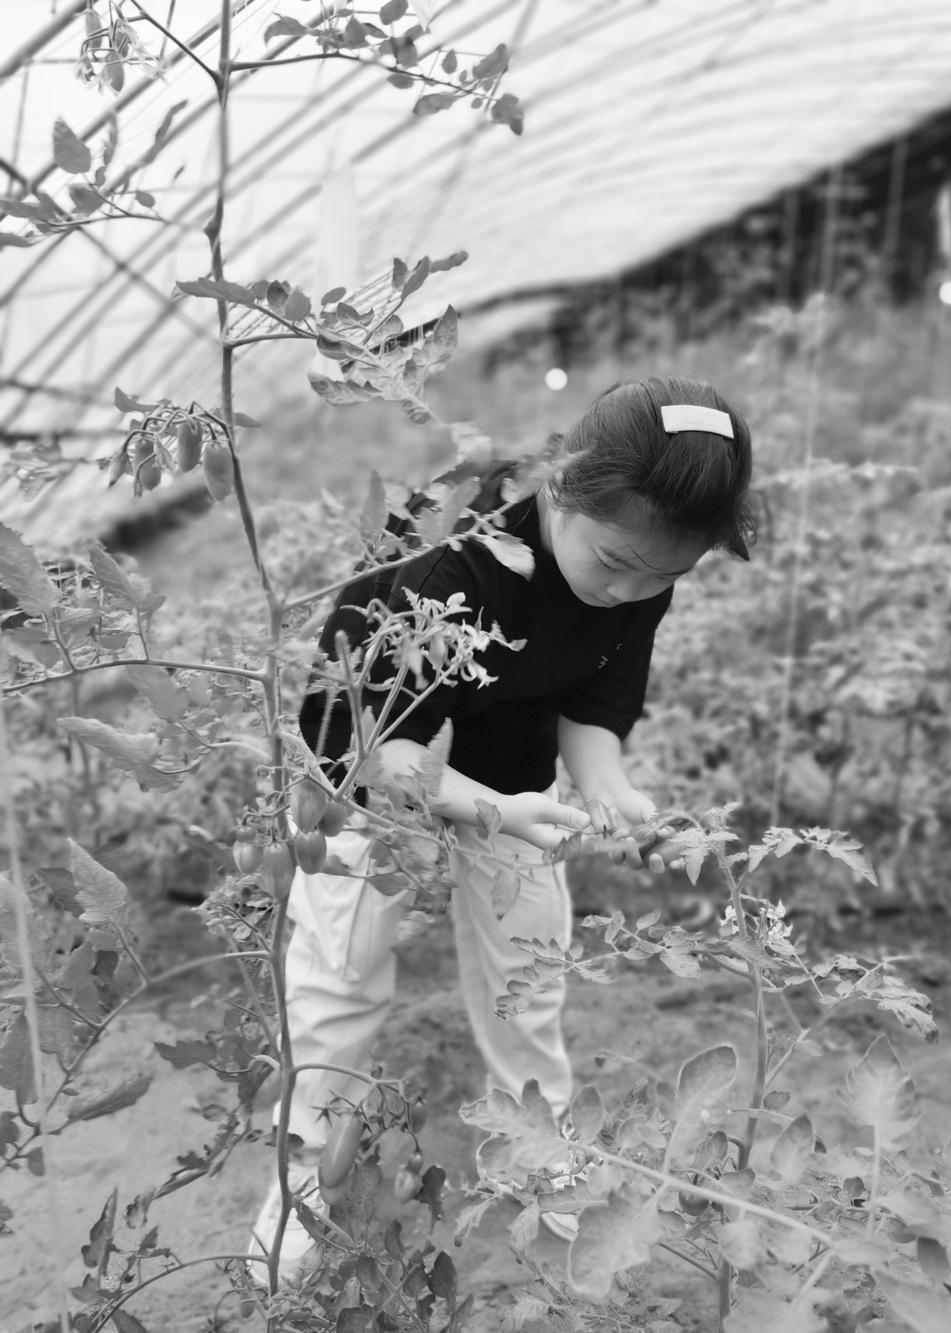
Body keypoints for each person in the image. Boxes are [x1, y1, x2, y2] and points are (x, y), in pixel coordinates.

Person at [249, 374, 754, 1283]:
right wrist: (484, 808)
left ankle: (533, 1139)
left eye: (663, 575)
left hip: (512, 776)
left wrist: (612, 790)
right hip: (369, 786)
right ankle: (301, 1171)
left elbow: (594, 699)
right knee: (340, 972)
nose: (630, 590)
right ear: (562, 487)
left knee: (530, 967)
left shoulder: (639, 560)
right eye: (612, 561)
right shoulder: (451, 559)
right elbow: (360, 740)